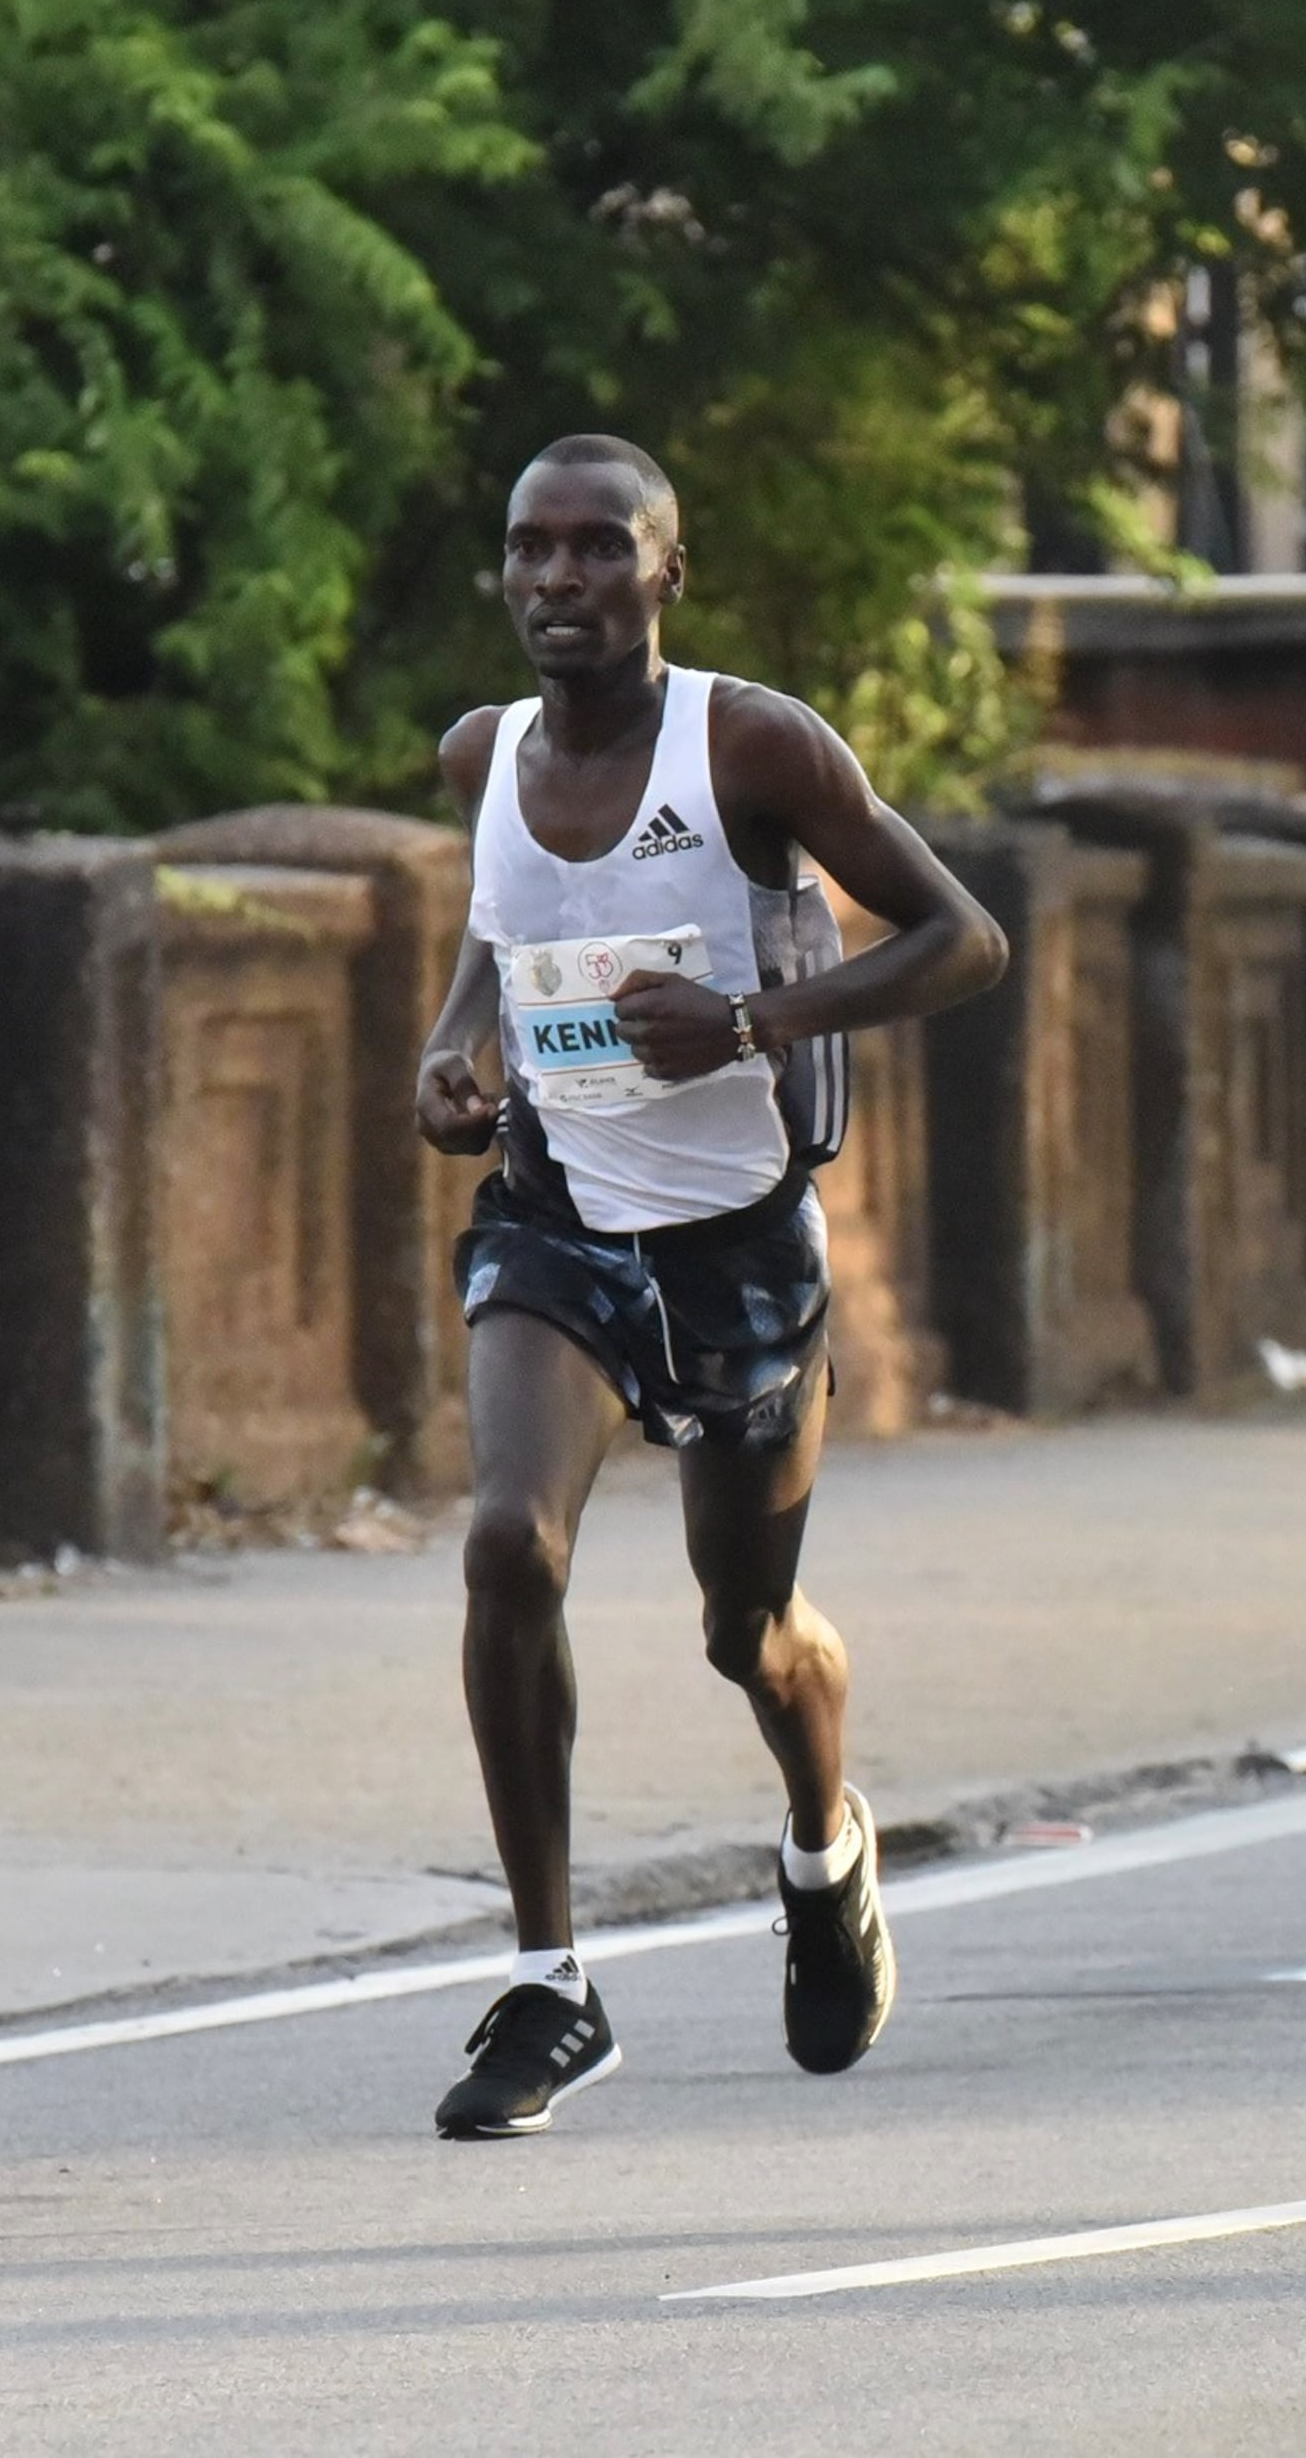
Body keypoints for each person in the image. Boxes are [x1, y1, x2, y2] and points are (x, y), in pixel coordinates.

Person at [411, 435, 1005, 2137]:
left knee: (747, 1632)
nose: (559, 583)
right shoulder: (485, 754)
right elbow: (497, 947)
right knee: (509, 1543)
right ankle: (550, 1979)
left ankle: (826, 1850)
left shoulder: (751, 744)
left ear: (668, 572)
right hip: (559, 1223)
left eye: (602, 551)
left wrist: (753, 1023)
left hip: (740, 1243)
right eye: (532, 551)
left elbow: (963, 938)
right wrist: (453, 1056)